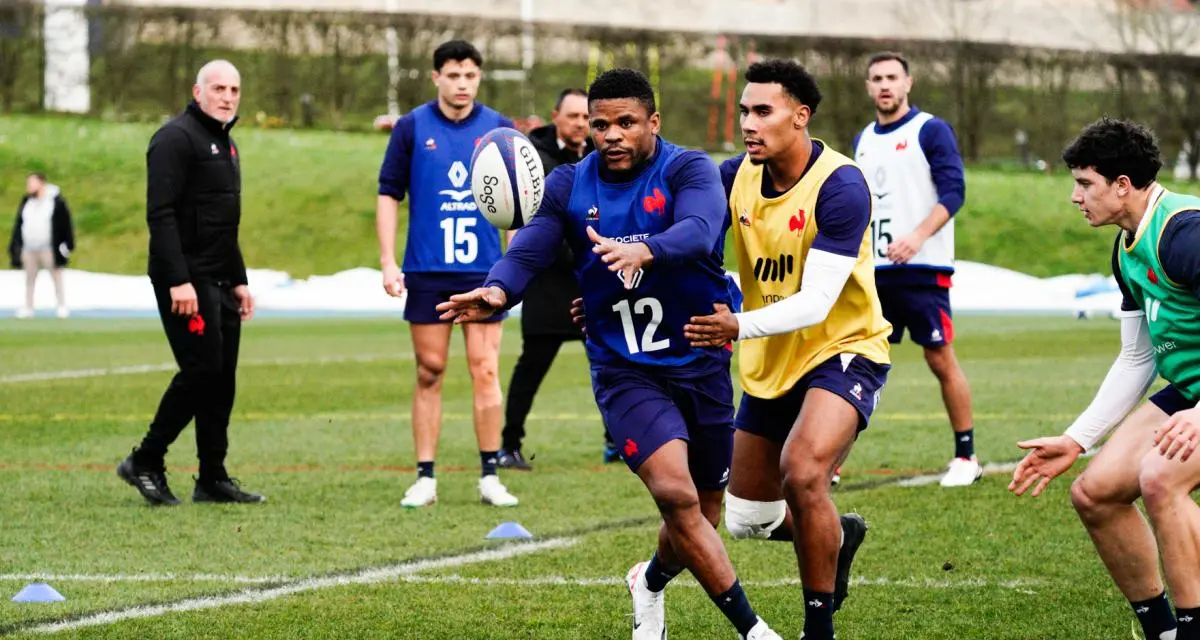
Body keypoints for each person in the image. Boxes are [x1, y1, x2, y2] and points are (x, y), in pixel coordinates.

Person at [438, 68, 782, 640]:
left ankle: (647, 582)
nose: (612, 134)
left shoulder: (687, 168)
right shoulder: (569, 184)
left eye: (626, 122)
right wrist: (498, 288)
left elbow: (700, 229)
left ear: (654, 121)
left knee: (703, 510)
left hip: (700, 361)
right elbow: (529, 249)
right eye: (600, 125)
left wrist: (646, 249)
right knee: (674, 492)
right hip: (624, 368)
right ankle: (755, 630)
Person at [683, 59, 890, 640]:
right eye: (744, 111)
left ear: (800, 117)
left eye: (762, 111)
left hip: (844, 348)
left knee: (803, 473)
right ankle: (838, 533)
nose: (748, 123)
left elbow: (819, 302)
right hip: (771, 360)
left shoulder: (841, 184)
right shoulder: (733, 176)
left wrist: (735, 325)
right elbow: (682, 240)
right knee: (748, 518)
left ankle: (816, 630)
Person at [1010, 117, 1200, 640]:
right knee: (1095, 493)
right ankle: (1162, 629)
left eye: (1084, 183)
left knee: (1161, 479)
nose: (1075, 196)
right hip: (1187, 389)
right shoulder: (1125, 247)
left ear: (1122, 185)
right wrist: (1078, 438)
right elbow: (1137, 359)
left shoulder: (1185, 232)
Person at [376, 39, 519, 508]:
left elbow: (520, 204)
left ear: (479, 78)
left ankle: (490, 476)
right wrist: (387, 261)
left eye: (470, 75)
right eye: (453, 75)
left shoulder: (499, 129)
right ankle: (425, 477)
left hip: (482, 272)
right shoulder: (412, 127)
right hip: (427, 270)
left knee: (484, 369)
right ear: (436, 76)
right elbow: (388, 193)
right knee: (430, 371)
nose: (462, 84)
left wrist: (512, 268)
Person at [116, 59, 263, 506]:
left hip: (220, 278)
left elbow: (224, 223)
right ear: (197, 92)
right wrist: (179, 280)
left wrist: (238, 280)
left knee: (222, 379)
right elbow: (159, 215)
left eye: (234, 89)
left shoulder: (227, 144)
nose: (227, 96)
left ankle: (212, 477)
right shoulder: (174, 139)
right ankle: (145, 459)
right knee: (202, 371)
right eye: (218, 88)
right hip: (186, 281)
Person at [853, 51, 978, 487]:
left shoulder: (931, 130)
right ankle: (827, 462)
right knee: (851, 359)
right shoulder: (864, 138)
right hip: (874, 272)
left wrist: (917, 236)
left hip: (923, 268)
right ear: (868, 86)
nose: (884, 85)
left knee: (939, 357)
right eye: (876, 78)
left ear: (909, 83)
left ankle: (966, 456)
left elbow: (954, 192)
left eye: (892, 77)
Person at [496, 87, 601, 471]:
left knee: (611, 364)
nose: (580, 124)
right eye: (572, 116)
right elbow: (532, 222)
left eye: (585, 117)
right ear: (555, 116)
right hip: (547, 283)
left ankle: (617, 440)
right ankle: (509, 445)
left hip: (590, 280)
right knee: (532, 366)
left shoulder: (600, 157)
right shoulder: (532, 158)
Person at [8, 172, 74, 319]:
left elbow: (65, 224)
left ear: (41, 183)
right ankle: (28, 307)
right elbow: (19, 224)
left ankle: (61, 305)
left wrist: (68, 244)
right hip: (29, 247)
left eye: (31, 183)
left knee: (56, 276)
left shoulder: (55, 202)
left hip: (49, 247)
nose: (29, 187)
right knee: (29, 279)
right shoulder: (27, 202)